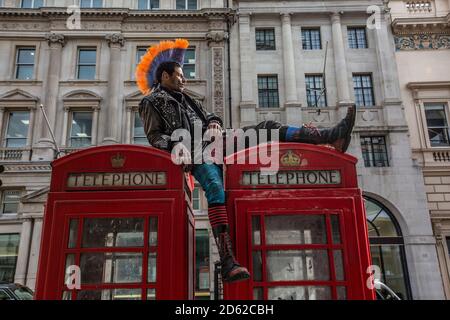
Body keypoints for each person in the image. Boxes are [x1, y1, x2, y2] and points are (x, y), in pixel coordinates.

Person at [137, 40, 356, 283]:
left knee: (267, 127)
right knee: (215, 187)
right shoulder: (150, 102)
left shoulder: (185, 97)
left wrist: (215, 121)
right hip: (195, 151)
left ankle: (329, 137)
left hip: (217, 141)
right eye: (179, 75)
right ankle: (228, 260)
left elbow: (208, 114)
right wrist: (176, 145)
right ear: (165, 75)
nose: (183, 79)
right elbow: (155, 137)